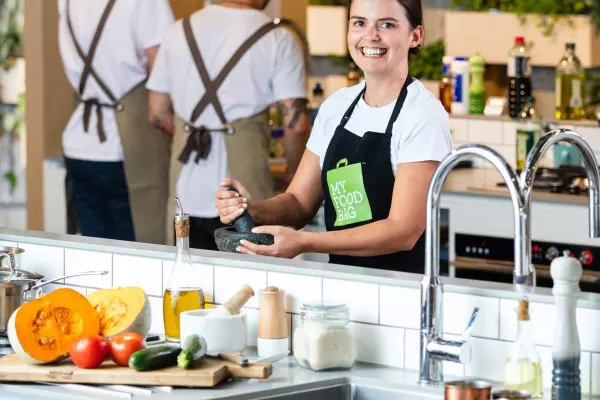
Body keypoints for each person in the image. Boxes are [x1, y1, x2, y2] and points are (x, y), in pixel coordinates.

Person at [216, 0, 452, 273]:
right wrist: (249, 209)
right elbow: (299, 203)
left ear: (415, 36)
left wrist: (305, 242)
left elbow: (403, 230)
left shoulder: (422, 115)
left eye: (387, 24)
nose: (370, 35)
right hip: (340, 283)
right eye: (359, 23)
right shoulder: (336, 107)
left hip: (400, 291)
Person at [147, 0, 311, 249]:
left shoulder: (178, 31)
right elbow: (296, 124)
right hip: (244, 194)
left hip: (185, 192)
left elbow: (157, 112)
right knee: (249, 279)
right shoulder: (278, 37)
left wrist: (190, 134)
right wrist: (293, 175)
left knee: (191, 280)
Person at [58, 0, 174, 244]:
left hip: (79, 143)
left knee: (96, 257)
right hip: (128, 143)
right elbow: (163, 66)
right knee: (141, 253)